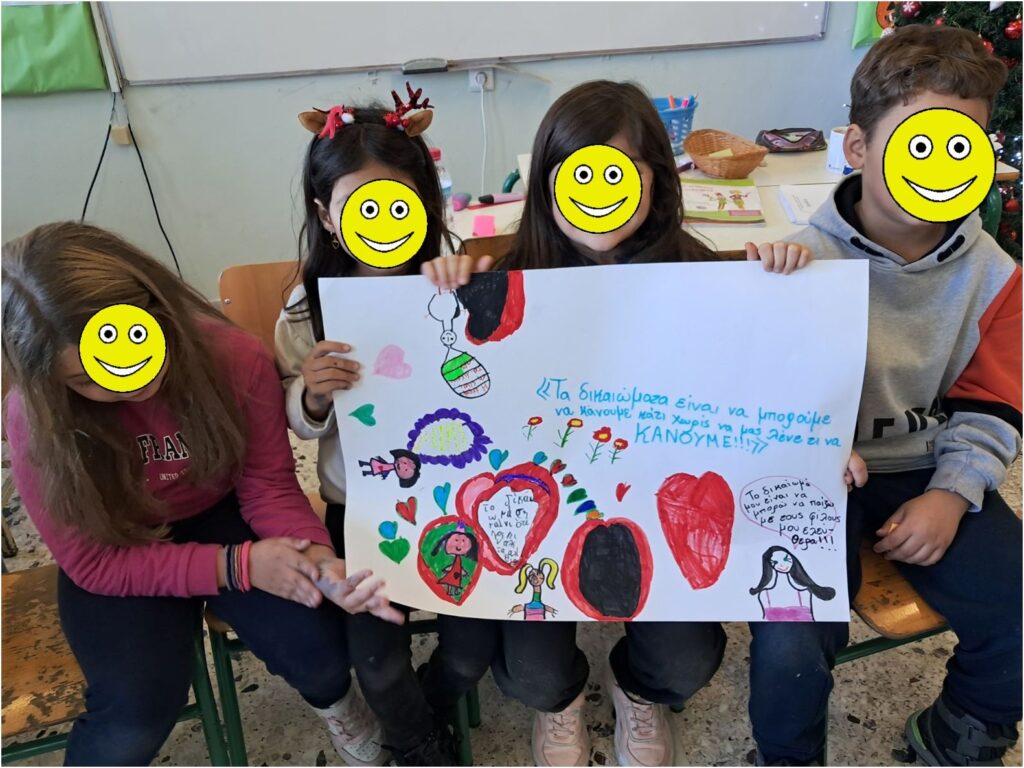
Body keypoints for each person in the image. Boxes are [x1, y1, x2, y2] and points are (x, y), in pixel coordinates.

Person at [424, 79, 826, 768]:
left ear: (656, 179)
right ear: (546, 182)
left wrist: (779, 285)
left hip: (660, 502)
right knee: (532, 674)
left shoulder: (702, 277)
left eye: (618, 172)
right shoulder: (507, 279)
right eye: (578, 172)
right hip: (543, 501)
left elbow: (762, 386)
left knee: (686, 661)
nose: (598, 193)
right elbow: (459, 381)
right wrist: (445, 288)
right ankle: (561, 704)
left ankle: (636, 689)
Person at [2, 222, 393, 766]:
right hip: (119, 542)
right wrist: (235, 566)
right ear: (49, 381)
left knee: (320, 649)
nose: (125, 382)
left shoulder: (233, 356)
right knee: (133, 716)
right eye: (88, 380)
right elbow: (93, 561)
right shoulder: (36, 418)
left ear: (158, 311)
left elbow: (267, 484)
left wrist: (318, 560)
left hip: (219, 510)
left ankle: (338, 706)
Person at [784, 25, 1021, 767]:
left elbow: (993, 402)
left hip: (924, 461)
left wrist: (952, 492)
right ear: (858, 148)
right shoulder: (799, 261)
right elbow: (760, 390)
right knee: (792, 629)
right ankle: (788, 754)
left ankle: (961, 728)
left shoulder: (996, 276)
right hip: (818, 467)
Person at [275, 91, 498, 765]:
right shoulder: (305, 308)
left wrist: (474, 293)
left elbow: (504, 376)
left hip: (456, 499)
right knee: (375, 664)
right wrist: (313, 394)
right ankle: (418, 743)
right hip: (361, 508)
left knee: (473, 652)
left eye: (399, 206)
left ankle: (426, 708)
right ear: (326, 215)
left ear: (426, 204)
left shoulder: (453, 279)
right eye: (362, 208)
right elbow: (295, 421)